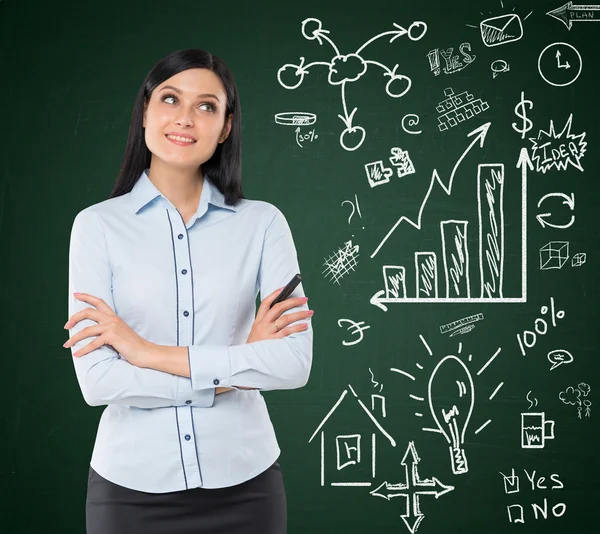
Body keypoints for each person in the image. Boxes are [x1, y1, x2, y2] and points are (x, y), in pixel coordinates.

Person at [64, 48, 314, 534]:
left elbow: (292, 364)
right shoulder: (96, 227)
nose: (185, 118)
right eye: (170, 99)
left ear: (225, 127)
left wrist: (144, 351)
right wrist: (238, 363)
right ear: (144, 112)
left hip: (248, 484)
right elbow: (99, 382)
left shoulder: (263, 225)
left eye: (206, 106)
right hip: (130, 490)